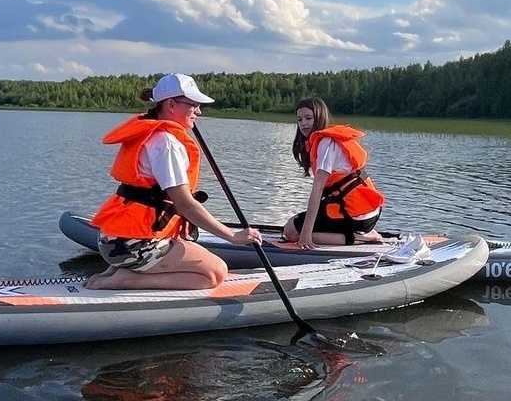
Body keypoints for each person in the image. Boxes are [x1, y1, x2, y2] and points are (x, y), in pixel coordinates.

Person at [86, 72, 261, 290]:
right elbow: (184, 204)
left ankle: (121, 270)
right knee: (215, 274)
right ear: (170, 104)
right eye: (193, 105)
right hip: (134, 243)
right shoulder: (166, 143)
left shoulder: (151, 133)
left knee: (202, 263)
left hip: (114, 240)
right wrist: (233, 236)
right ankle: (126, 279)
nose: (198, 111)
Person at [281, 96, 386, 251]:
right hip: (365, 212)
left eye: (308, 118)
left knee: (291, 232)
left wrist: (305, 234)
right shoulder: (323, 141)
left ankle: (361, 238)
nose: (303, 123)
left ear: (320, 117)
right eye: (299, 119)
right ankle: (360, 233)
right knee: (292, 224)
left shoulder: (326, 143)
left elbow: (317, 191)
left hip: (356, 215)